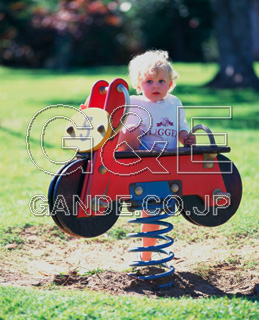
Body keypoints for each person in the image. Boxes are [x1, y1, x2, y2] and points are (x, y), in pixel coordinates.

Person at [117, 50, 195, 261]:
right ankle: (146, 257)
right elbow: (108, 112)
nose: (155, 86)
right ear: (138, 84)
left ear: (170, 84)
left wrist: (185, 138)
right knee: (130, 128)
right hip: (139, 161)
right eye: (149, 81)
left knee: (153, 212)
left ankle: (147, 257)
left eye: (161, 81)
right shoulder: (133, 102)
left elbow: (181, 128)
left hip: (166, 164)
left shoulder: (174, 103)